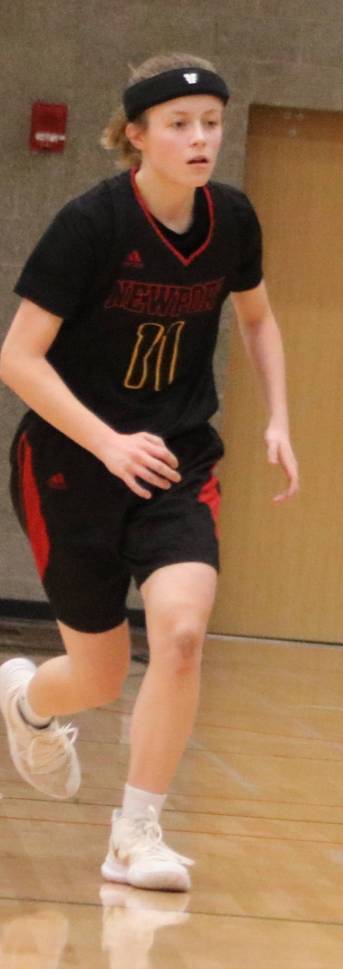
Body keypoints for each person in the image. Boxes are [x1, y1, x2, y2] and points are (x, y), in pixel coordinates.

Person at [0, 53, 298, 892]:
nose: (201, 138)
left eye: (211, 124)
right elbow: (18, 358)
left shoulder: (232, 219)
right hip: (72, 460)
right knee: (97, 676)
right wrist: (107, 442)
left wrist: (278, 416)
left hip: (176, 459)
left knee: (181, 634)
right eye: (179, 124)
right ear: (136, 135)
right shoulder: (91, 225)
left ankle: (135, 832)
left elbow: (259, 319)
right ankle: (27, 702)